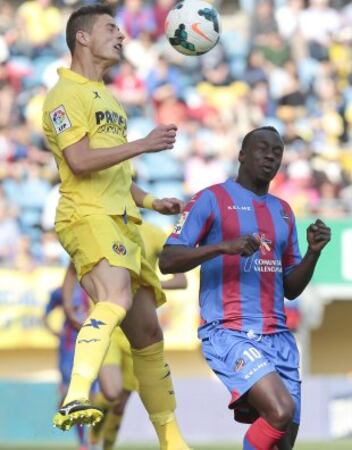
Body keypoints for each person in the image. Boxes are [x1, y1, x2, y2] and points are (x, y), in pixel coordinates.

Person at [42, 4, 190, 450]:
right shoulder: (64, 96)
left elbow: (117, 176)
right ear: (82, 38)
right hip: (85, 215)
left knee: (148, 332)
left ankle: (172, 441)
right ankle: (74, 396)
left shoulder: (109, 100)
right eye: (111, 28)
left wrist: (149, 200)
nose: (121, 37)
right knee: (117, 297)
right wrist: (143, 145)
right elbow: (81, 162)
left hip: (123, 218)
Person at [159, 126, 331, 450]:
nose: (270, 156)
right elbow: (168, 260)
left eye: (277, 152)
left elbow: (291, 288)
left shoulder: (283, 211)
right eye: (261, 149)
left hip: (278, 337)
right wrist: (223, 247)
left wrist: (313, 253)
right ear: (241, 155)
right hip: (229, 332)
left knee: (282, 442)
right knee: (281, 410)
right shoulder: (211, 199)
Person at [63, 221, 187, 450]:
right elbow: (72, 267)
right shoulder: (102, 225)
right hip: (107, 327)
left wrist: (147, 283)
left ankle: (105, 446)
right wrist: (68, 306)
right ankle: (92, 434)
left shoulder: (154, 233)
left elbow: (181, 280)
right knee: (112, 392)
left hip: (139, 331)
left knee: (120, 405)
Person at [43, 273, 95, 450]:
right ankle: (83, 443)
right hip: (69, 350)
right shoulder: (61, 292)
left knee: (92, 397)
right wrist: (56, 333)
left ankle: (92, 439)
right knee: (75, 396)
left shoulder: (96, 288)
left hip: (92, 347)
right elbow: (45, 314)